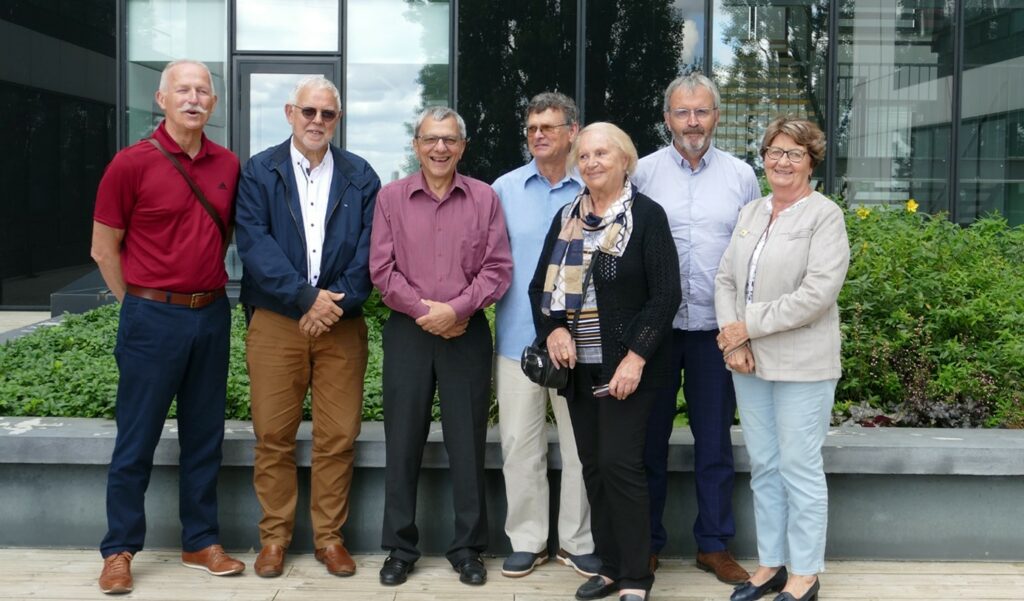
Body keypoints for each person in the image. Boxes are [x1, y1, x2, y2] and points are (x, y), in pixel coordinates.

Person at [91, 59, 244, 594]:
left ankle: (200, 541)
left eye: (203, 91)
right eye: (183, 89)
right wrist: (140, 302)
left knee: (205, 437)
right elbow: (103, 248)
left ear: (215, 104)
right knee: (136, 438)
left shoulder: (229, 164)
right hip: (151, 315)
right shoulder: (130, 164)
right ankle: (119, 550)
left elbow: (222, 237)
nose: (194, 98)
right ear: (161, 99)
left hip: (211, 313)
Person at [235, 75, 380, 578]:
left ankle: (328, 539)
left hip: (341, 322)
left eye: (328, 114)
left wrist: (332, 303)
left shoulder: (361, 175)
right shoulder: (259, 171)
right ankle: (274, 538)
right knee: (273, 434)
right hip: (278, 321)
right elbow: (255, 246)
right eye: (309, 112)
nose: (318, 121)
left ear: (337, 119)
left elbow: (371, 251)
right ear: (290, 113)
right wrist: (304, 299)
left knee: (337, 436)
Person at [529, 122, 680, 601]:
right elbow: (541, 289)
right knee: (592, 465)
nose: (592, 162)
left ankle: (637, 575)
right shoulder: (566, 217)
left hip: (628, 369)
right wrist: (553, 329)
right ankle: (611, 566)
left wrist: (635, 358)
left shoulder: (647, 217)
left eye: (602, 153)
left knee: (620, 464)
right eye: (585, 155)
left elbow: (666, 296)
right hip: (579, 369)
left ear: (625, 160)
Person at [369, 106, 513, 587]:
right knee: (403, 438)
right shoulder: (390, 198)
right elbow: (382, 271)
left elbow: (497, 268)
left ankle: (468, 547)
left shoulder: (484, 198)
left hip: (466, 332)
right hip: (409, 331)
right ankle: (399, 547)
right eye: (431, 139)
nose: (440, 148)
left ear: (462, 146)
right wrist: (426, 312)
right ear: (416, 144)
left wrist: (458, 310)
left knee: (467, 442)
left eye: (450, 140)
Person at [714, 117, 849, 601]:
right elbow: (726, 279)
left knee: (799, 466)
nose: (781, 161)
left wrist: (747, 325)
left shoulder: (824, 216)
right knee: (766, 465)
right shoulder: (751, 212)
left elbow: (817, 294)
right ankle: (770, 563)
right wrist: (735, 341)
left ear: (812, 160)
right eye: (774, 151)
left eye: (794, 153)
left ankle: (805, 572)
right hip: (749, 364)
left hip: (802, 365)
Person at [632, 73, 759, 583]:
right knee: (648, 444)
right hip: (655, 333)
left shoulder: (742, 177)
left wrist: (744, 327)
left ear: (716, 116)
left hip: (716, 333)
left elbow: (752, 256)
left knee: (714, 443)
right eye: (682, 112)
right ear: (667, 118)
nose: (692, 122)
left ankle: (713, 544)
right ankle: (646, 543)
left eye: (702, 112)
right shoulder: (639, 173)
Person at [492, 92, 602, 579]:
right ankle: (528, 539)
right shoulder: (503, 189)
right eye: (532, 127)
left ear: (572, 131)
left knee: (582, 446)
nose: (538, 135)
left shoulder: (597, 185)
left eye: (549, 127)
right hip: (518, 339)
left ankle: (577, 541)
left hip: (582, 343)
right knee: (519, 443)